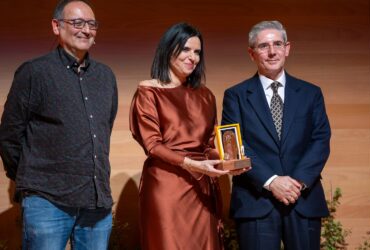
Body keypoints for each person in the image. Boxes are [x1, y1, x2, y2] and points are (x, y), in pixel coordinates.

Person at [0, 0, 118, 249]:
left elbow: (103, 130)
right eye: (77, 22)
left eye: (91, 24)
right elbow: (9, 135)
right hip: (47, 201)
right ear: (56, 26)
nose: (86, 29)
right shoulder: (34, 72)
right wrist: (31, 178)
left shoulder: (106, 76)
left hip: (96, 202)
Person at [221, 20, 331, 250]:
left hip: (303, 198)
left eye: (277, 44)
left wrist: (296, 183)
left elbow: (320, 141)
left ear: (287, 48)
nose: (272, 52)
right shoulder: (235, 96)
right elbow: (234, 147)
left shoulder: (311, 93)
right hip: (255, 200)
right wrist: (271, 182)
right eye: (263, 46)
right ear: (251, 53)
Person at [130, 22, 231, 250]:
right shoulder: (148, 90)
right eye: (186, 49)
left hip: (201, 188)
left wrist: (229, 161)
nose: (192, 57)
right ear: (168, 49)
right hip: (166, 187)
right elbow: (152, 145)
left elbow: (208, 145)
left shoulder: (206, 95)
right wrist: (192, 164)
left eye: (197, 52)